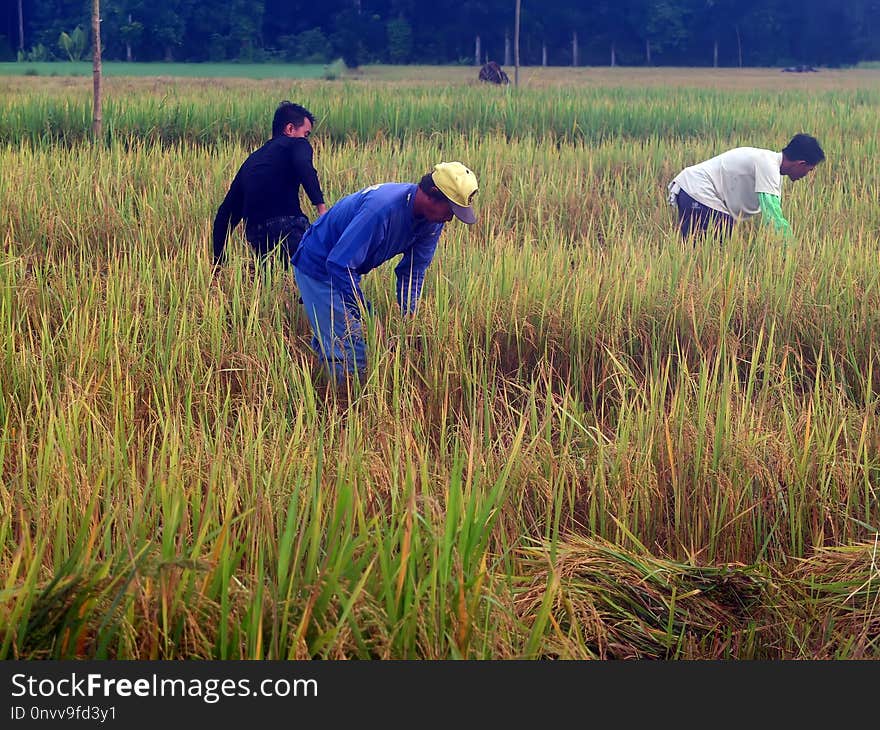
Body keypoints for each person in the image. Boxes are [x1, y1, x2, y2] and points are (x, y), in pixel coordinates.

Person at [291, 161, 479, 383]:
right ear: (432, 194)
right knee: (353, 348)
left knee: (337, 337)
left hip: (344, 266)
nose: (449, 218)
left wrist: (408, 315)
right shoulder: (382, 209)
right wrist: (367, 314)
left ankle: (324, 385)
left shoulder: (432, 222)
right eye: (450, 210)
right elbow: (339, 264)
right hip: (319, 265)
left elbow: (413, 270)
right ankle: (345, 407)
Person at [212, 101, 328, 270]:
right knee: (322, 271)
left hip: (256, 234)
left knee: (270, 284)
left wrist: (218, 264)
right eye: (306, 133)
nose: (306, 139)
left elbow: (224, 216)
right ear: (290, 129)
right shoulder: (297, 143)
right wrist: (322, 209)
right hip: (288, 226)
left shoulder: (252, 161)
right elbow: (305, 166)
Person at [667, 133, 825, 240]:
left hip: (689, 190)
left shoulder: (770, 165)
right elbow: (773, 215)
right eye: (809, 170)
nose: (807, 175)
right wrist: (789, 248)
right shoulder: (768, 165)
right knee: (722, 232)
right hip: (697, 191)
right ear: (800, 163)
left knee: (696, 245)